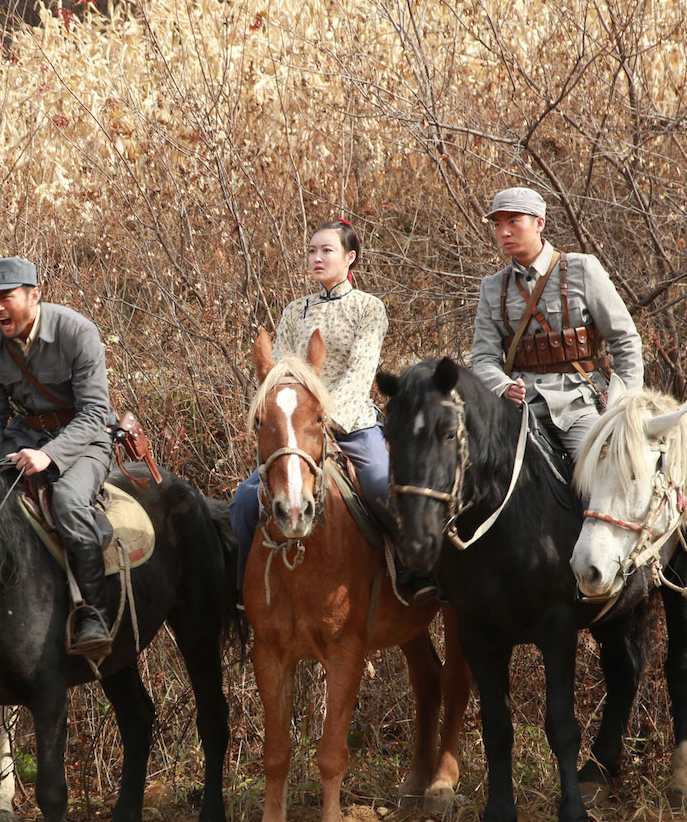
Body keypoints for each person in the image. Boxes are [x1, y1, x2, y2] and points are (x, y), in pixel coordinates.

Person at [231, 220, 430, 596]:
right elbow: (284, 376)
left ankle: (414, 573)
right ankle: (242, 591)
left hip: (352, 424)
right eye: (311, 251)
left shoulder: (369, 309)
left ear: (350, 257)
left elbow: (360, 372)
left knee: (378, 486)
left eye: (326, 251)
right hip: (300, 430)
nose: (317, 258)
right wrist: (298, 421)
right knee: (243, 500)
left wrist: (326, 418)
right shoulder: (295, 311)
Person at [0, 256, 119, 658]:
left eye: (6, 297)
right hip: (24, 434)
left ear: (35, 295)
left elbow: (94, 414)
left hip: (85, 439)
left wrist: (49, 456)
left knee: (68, 501)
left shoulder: (77, 332)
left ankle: (93, 612)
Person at [469, 187, 642, 463]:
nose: (503, 232)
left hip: (577, 404)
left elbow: (625, 339)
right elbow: (483, 357)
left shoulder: (583, 269)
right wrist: (502, 386)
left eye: (513, 221)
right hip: (519, 410)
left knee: (599, 471)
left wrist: (625, 405)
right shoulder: (492, 287)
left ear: (540, 223)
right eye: (498, 224)